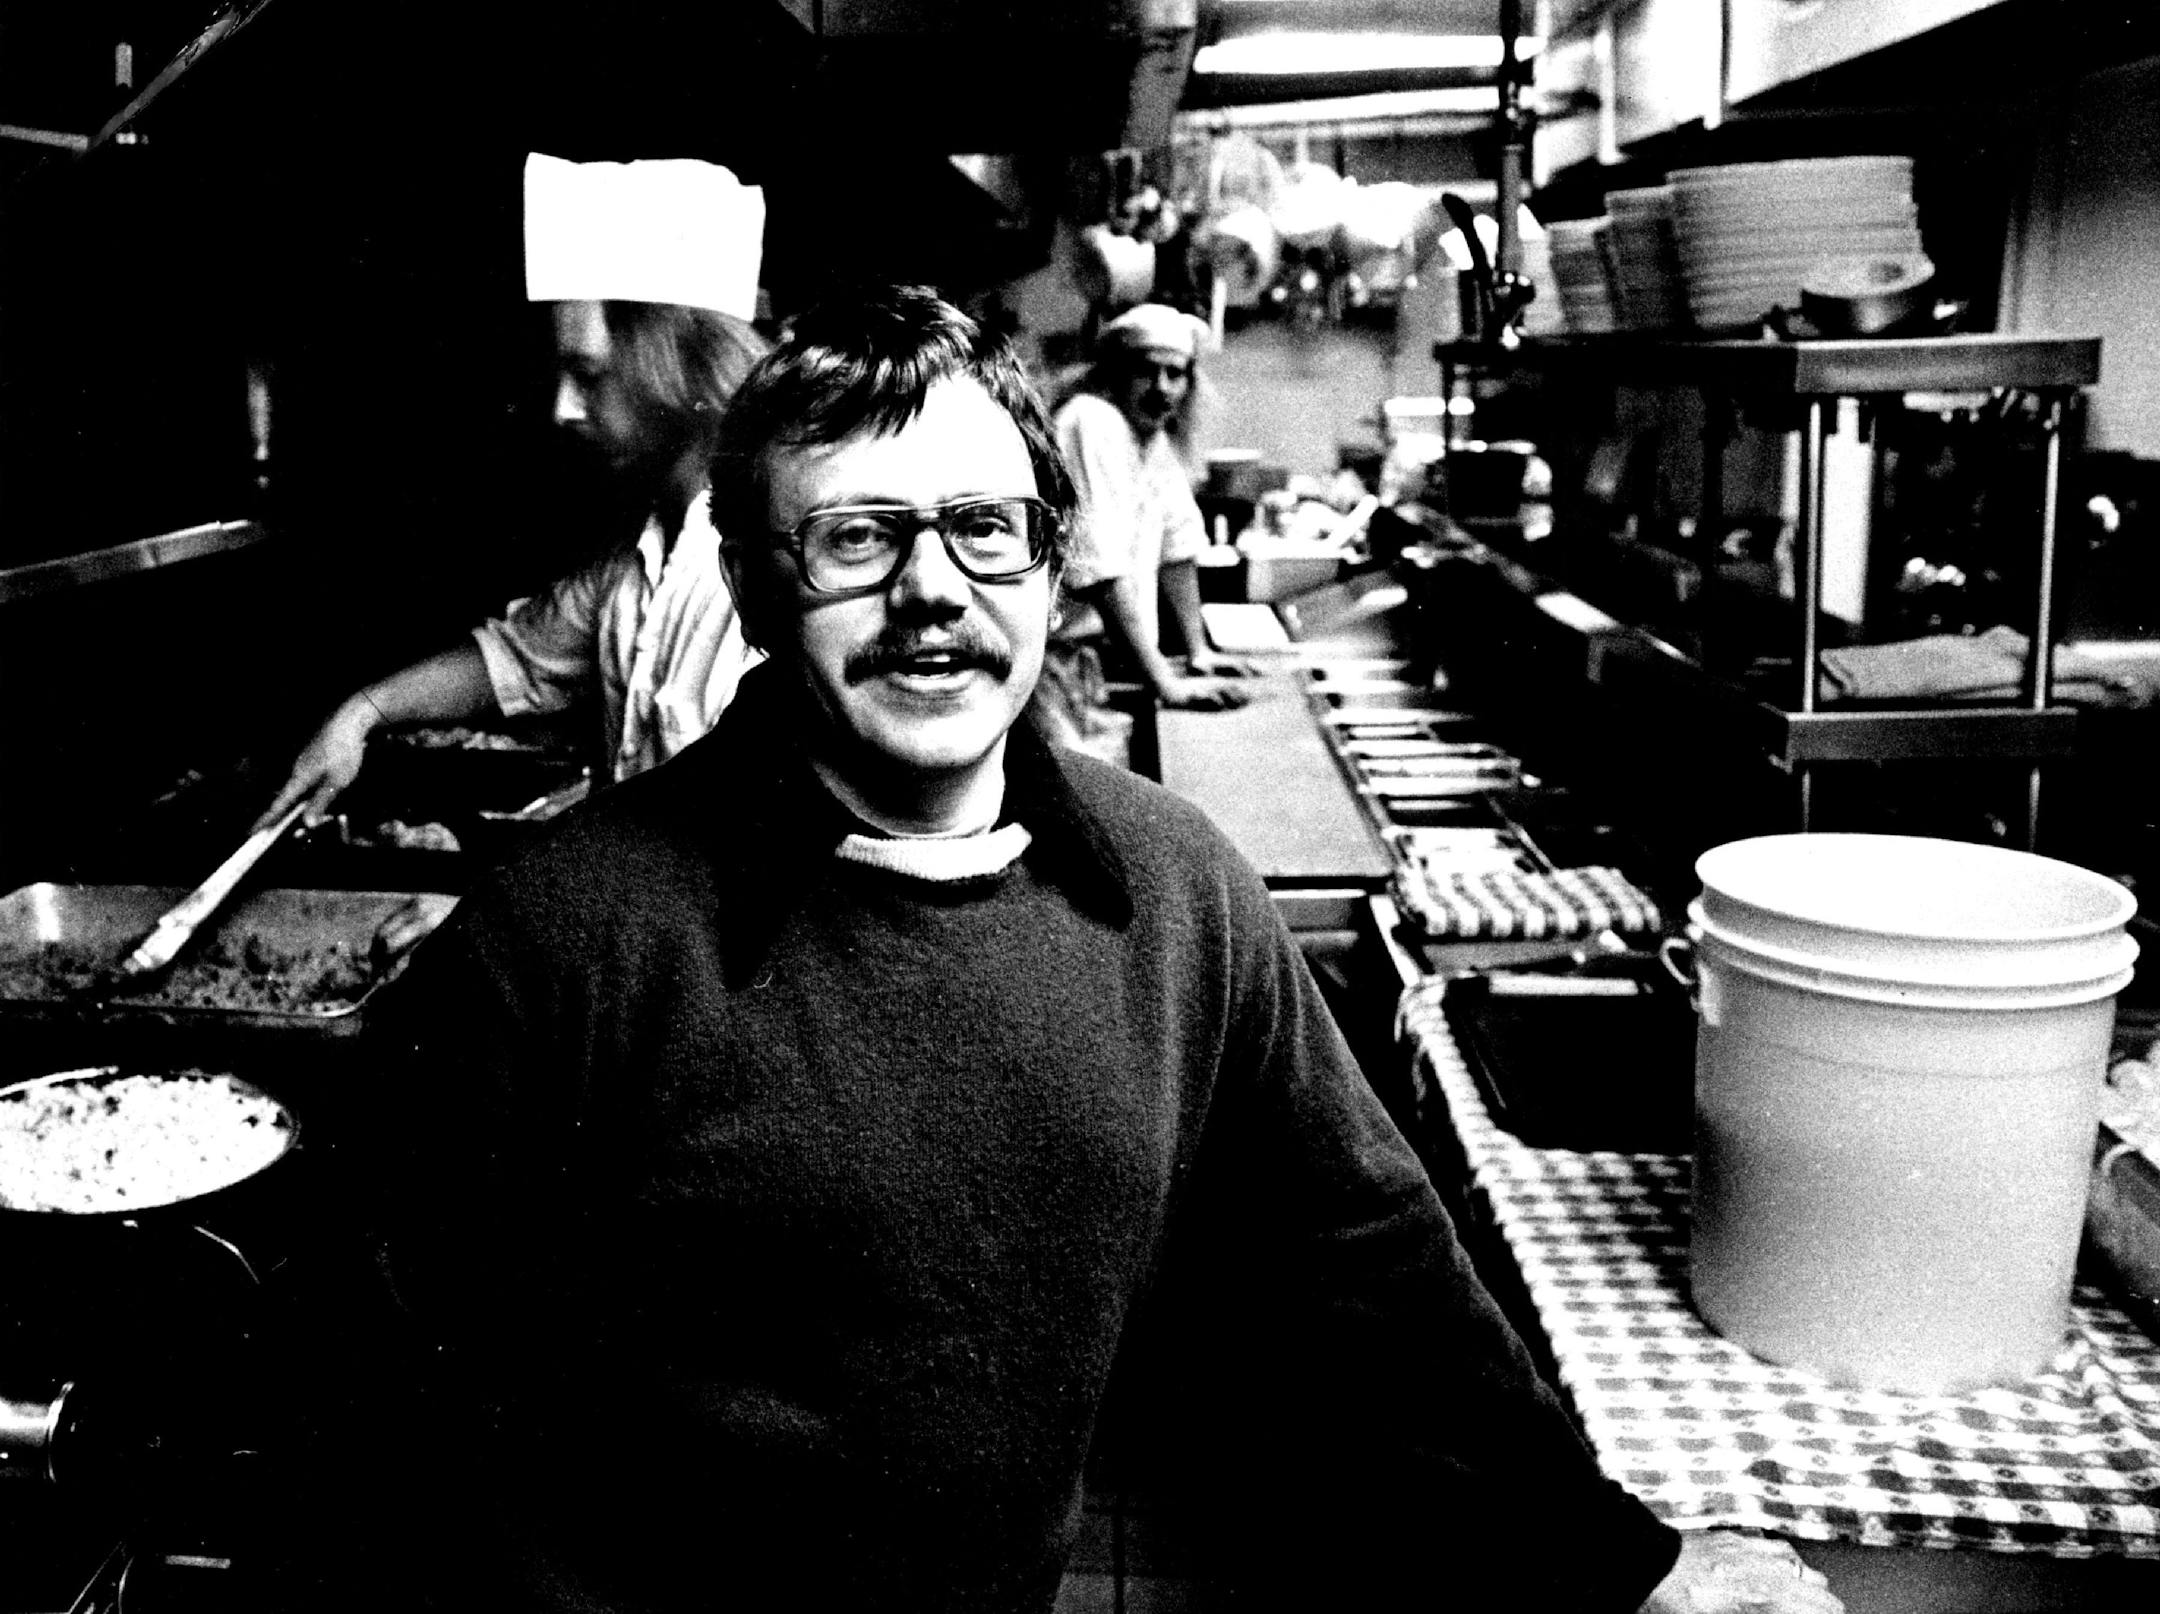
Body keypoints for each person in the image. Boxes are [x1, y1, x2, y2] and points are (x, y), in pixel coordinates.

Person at [360, 286, 1841, 1614]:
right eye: (857, 536)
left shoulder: (1175, 890)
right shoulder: (563, 945)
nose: (932, 588)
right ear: (753, 590)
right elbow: (420, 1436)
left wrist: (1622, 1566)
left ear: (1051, 564)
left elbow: (1368, 1269)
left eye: (982, 528)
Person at [257, 155, 768, 831]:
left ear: (671, 364)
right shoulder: (635, 562)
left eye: (588, 376)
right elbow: (515, 658)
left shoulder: (764, 571)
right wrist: (360, 713)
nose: (562, 409)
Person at [1037, 302, 1256, 753]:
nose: (1162, 388)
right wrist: (1165, 682)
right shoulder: (1089, 421)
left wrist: (1199, 651)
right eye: (1146, 372)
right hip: (1053, 671)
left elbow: (1179, 546)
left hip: (1095, 667)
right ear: (1114, 373)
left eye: (1175, 374)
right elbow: (1098, 571)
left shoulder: (1150, 439)